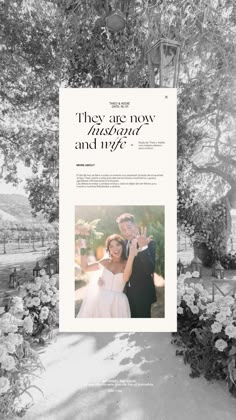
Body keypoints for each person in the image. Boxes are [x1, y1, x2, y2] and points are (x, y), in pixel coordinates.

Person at [77, 234, 137, 318]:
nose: (115, 249)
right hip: (100, 299)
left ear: (123, 246)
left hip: (117, 302)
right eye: (111, 246)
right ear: (108, 249)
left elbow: (125, 278)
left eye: (118, 245)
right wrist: (82, 248)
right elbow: (85, 267)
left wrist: (131, 256)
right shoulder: (105, 262)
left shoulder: (126, 263)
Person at [116, 213, 156, 318]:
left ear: (136, 226)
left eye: (129, 227)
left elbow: (150, 269)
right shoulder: (123, 245)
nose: (126, 231)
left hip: (143, 293)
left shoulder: (149, 243)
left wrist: (143, 248)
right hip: (126, 294)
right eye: (122, 229)